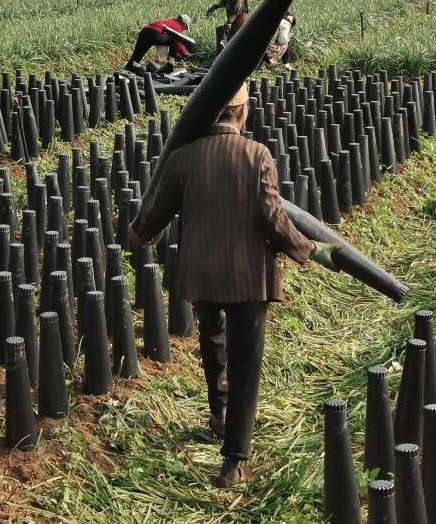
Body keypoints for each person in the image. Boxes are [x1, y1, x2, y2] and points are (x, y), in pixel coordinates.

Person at [129, 82, 341, 486]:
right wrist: (310, 249)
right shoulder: (257, 154)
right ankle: (233, 460)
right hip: (248, 274)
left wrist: (138, 232)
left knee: (212, 339)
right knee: (246, 361)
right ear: (241, 112)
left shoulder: (183, 157)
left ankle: (219, 410)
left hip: (202, 272)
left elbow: (153, 217)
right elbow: (273, 217)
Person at [125, 14, 193, 72]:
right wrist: (185, 53)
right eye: (185, 29)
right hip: (155, 34)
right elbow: (178, 42)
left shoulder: (169, 21)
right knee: (174, 39)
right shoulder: (177, 26)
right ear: (184, 25)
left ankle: (129, 67)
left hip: (144, 32)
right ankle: (170, 65)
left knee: (136, 57)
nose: (183, 30)